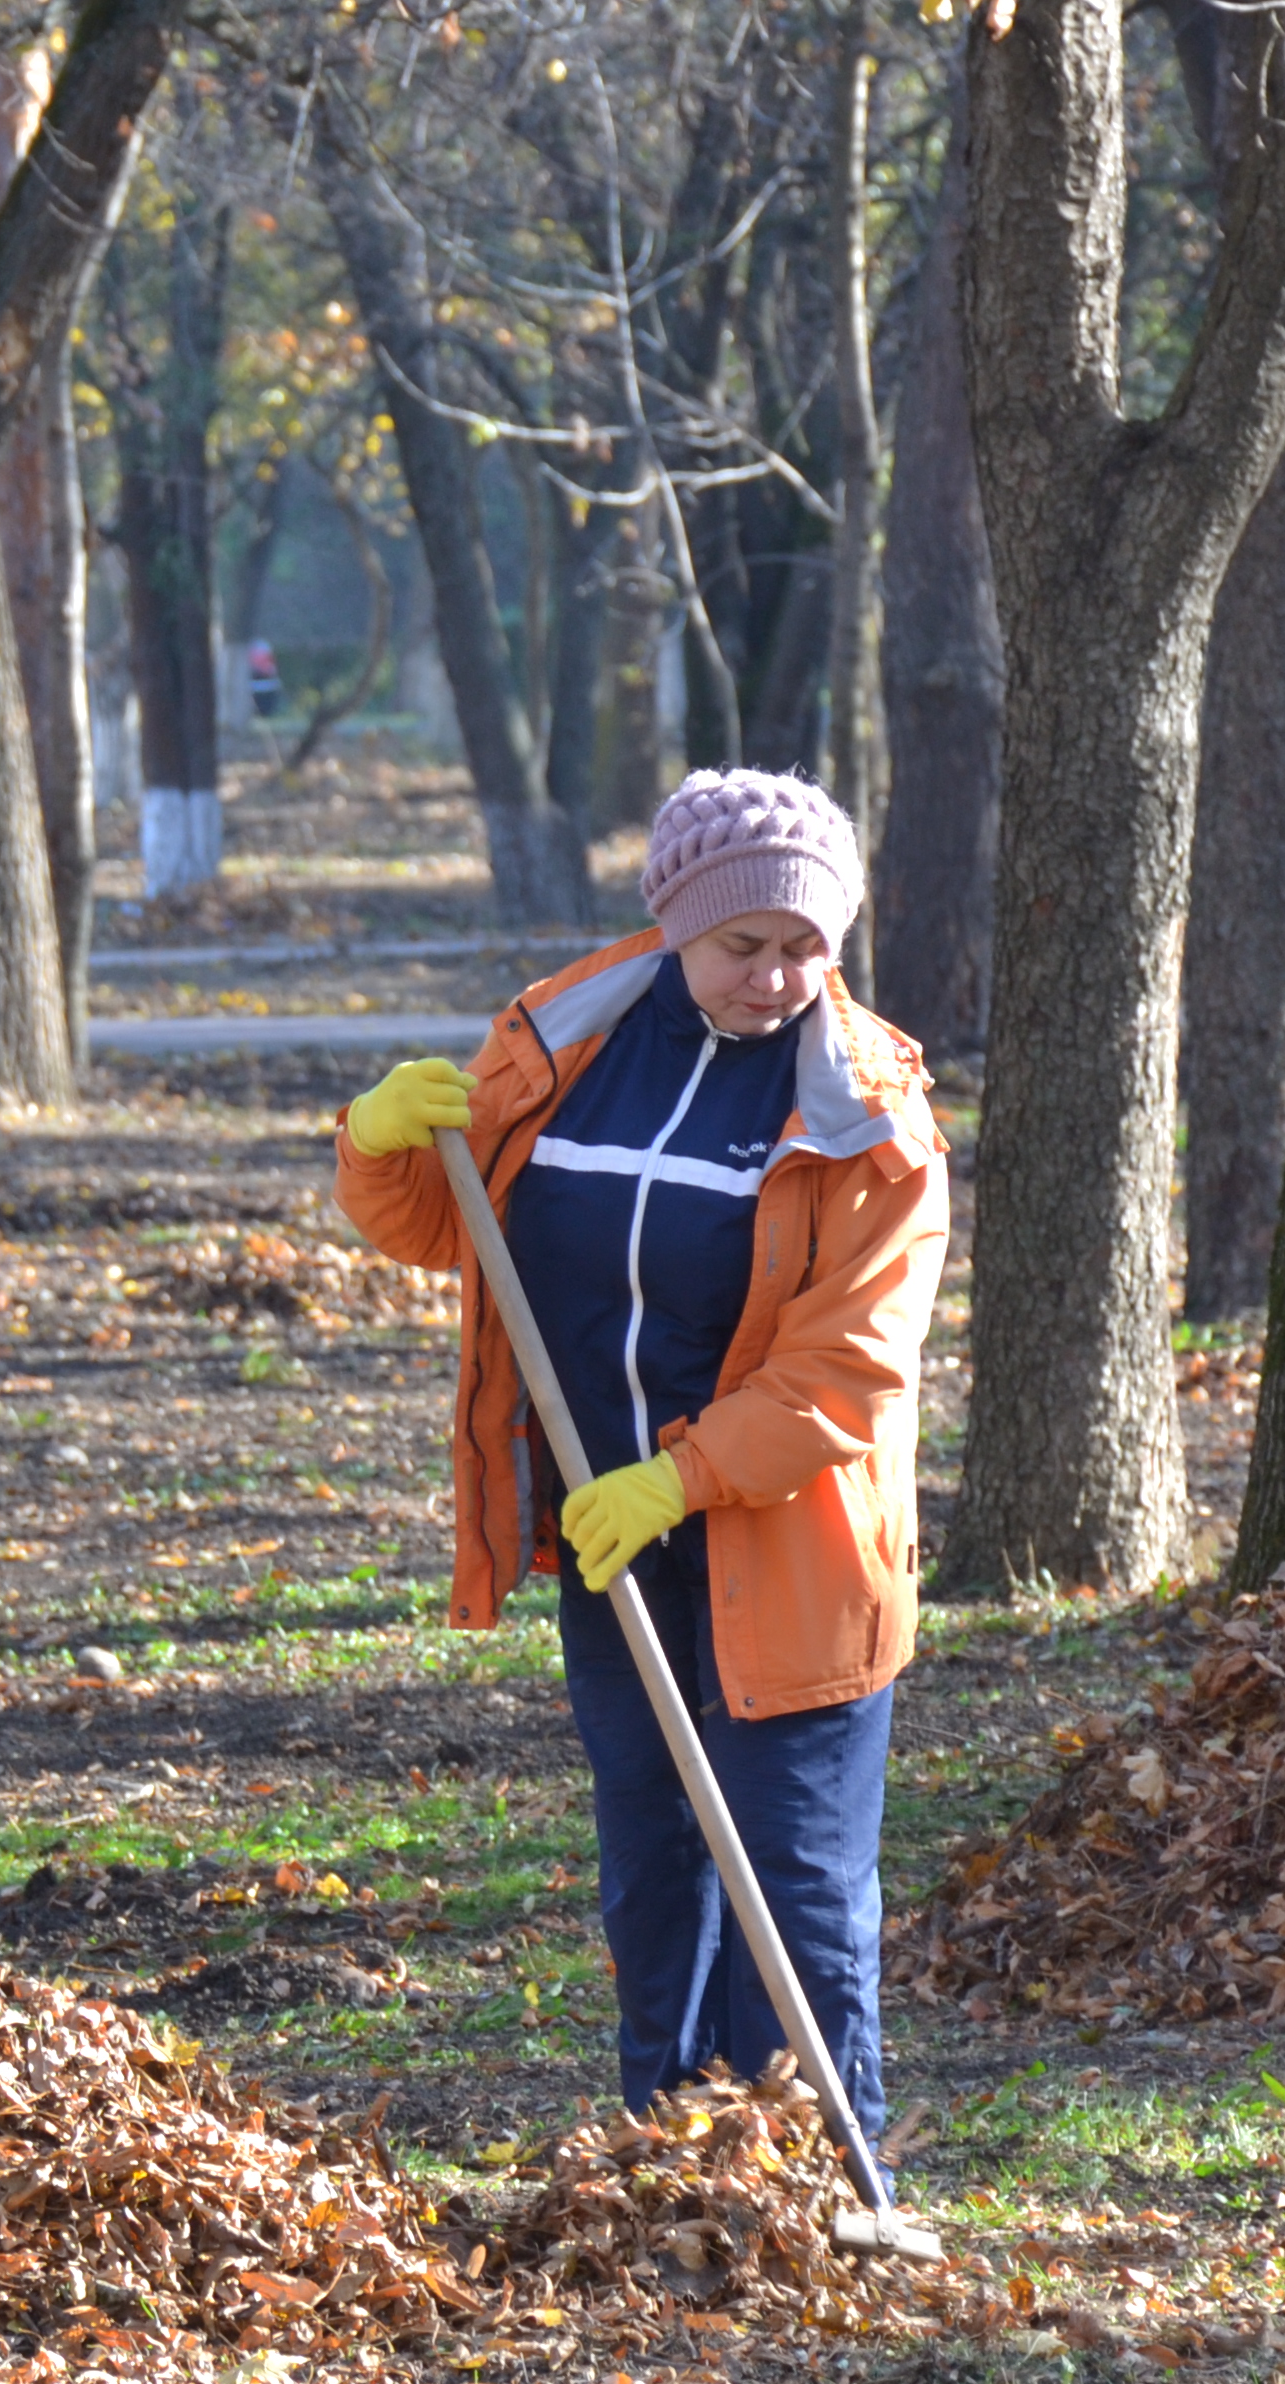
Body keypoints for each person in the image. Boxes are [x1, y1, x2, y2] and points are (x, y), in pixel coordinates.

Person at [328, 767, 946, 2134]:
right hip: (610, 1546)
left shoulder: (871, 1121)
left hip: (790, 1554)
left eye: (808, 946)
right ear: (678, 924)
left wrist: (682, 1476)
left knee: (792, 1886)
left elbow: (849, 1367)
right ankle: (669, 2174)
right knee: (657, 1875)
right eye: (747, 944)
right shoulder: (569, 1048)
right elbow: (453, 1229)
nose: (779, 975)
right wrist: (376, 1144)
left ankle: (809, 2195)